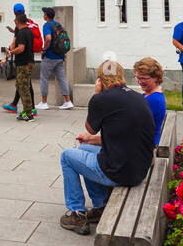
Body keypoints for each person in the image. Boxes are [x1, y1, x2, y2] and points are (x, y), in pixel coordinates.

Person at [59, 59, 156, 234]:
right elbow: (122, 136)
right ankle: (101, 205)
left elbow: (90, 127)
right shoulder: (134, 96)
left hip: (121, 173)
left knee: (67, 156)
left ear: (100, 79)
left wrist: (96, 95)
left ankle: (77, 214)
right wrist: (90, 140)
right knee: (83, 150)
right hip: (139, 169)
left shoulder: (102, 99)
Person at [37, 7, 74, 111]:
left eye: (44, 14)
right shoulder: (58, 25)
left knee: (44, 78)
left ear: (46, 16)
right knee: (62, 78)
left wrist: (44, 49)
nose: (43, 15)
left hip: (49, 56)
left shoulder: (46, 25)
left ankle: (44, 103)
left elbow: (48, 38)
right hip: (60, 56)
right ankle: (68, 101)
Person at [7, 8, 36, 121]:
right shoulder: (29, 31)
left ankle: (29, 114)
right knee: (21, 87)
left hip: (24, 64)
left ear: (17, 21)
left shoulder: (22, 33)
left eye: (15, 20)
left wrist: (11, 52)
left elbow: (21, 48)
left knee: (24, 89)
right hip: (27, 62)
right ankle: (26, 111)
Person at [132, 56, 167, 146]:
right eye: (138, 78)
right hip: (140, 141)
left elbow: (134, 125)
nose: (140, 82)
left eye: (143, 78)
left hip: (143, 145)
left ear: (156, 77)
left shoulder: (154, 100)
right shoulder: (148, 95)